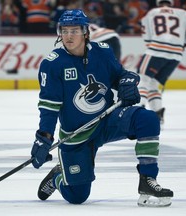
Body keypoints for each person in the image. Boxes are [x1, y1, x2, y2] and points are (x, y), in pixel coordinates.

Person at [30, 9, 173, 207]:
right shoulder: (52, 64)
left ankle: (147, 181)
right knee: (77, 196)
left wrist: (128, 82)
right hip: (76, 134)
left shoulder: (103, 51)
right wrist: (44, 137)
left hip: (107, 120)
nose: (69, 36)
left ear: (85, 32)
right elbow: (49, 106)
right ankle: (57, 177)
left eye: (74, 31)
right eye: (64, 31)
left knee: (148, 120)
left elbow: (119, 76)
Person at [136, 0, 186, 124]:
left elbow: (146, 35)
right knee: (153, 84)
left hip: (156, 50)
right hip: (175, 55)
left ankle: (137, 111)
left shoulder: (152, 12)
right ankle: (157, 114)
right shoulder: (183, 13)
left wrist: (153, 44)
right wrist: (181, 42)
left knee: (142, 80)